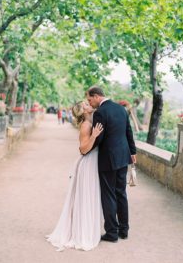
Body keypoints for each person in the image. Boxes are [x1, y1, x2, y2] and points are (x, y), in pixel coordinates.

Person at [46, 101, 103, 251]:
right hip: (88, 163)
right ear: (84, 111)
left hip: (92, 162)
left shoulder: (92, 121)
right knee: (85, 198)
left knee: (89, 197)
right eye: (86, 104)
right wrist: (94, 136)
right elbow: (83, 149)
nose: (89, 104)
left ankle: (86, 229)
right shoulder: (86, 125)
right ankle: (81, 233)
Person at [86, 86, 136, 242]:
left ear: (96, 96)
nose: (90, 103)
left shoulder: (100, 112)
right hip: (123, 157)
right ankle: (124, 230)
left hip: (108, 158)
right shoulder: (121, 109)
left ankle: (112, 233)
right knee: (121, 193)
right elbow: (128, 131)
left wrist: (85, 150)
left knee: (108, 195)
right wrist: (132, 152)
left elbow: (98, 138)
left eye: (89, 99)